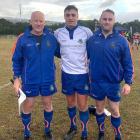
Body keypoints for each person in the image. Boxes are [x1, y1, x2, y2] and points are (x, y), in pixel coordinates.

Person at [12, 11, 59, 140]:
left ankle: (47, 130)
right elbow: (17, 60)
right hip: (30, 79)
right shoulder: (23, 38)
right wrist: (16, 78)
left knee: (47, 103)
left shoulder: (52, 37)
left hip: (48, 78)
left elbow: (63, 53)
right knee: (29, 104)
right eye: (36, 20)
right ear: (30, 22)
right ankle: (26, 132)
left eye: (41, 21)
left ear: (44, 22)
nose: (38, 23)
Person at [87, 9, 133, 140]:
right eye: (104, 19)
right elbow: (86, 58)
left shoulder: (122, 40)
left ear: (114, 21)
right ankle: (101, 133)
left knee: (114, 110)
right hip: (97, 82)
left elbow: (128, 63)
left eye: (110, 19)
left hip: (113, 83)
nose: (107, 21)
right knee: (100, 109)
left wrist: (128, 83)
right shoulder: (92, 40)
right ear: (100, 20)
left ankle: (117, 134)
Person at [54, 5, 93, 140]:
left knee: (82, 105)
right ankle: (73, 127)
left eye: (73, 15)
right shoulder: (58, 32)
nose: (70, 17)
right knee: (71, 104)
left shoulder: (86, 31)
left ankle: (84, 131)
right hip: (66, 74)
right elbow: (56, 51)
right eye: (68, 15)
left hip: (82, 74)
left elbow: (92, 49)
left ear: (77, 16)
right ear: (64, 16)